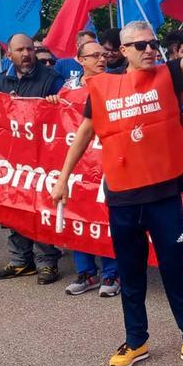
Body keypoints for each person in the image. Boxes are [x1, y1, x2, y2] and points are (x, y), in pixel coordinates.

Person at [50, 3, 183, 366]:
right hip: (122, 199)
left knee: (176, 272)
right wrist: (63, 177)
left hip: (163, 196)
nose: (150, 49)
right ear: (124, 50)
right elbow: (85, 132)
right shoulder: (103, 88)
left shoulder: (170, 75)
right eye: (141, 45)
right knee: (131, 275)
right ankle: (136, 340)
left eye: (153, 44)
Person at [0, 33, 65, 284]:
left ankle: (47, 262)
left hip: (41, 157)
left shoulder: (51, 79)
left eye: (30, 49)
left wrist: (55, 102)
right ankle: (21, 260)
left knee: (40, 209)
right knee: (14, 208)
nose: (26, 54)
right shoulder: (0, 80)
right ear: (9, 54)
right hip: (11, 157)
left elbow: (65, 115)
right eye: (20, 50)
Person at [57, 39, 120, 297]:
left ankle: (112, 273)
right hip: (79, 164)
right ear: (80, 60)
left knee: (106, 218)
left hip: (107, 162)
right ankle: (86, 272)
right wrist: (52, 102)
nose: (101, 59)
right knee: (78, 215)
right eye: (94, 56)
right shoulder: (68, 89)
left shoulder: (116, 84)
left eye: (103, 55)